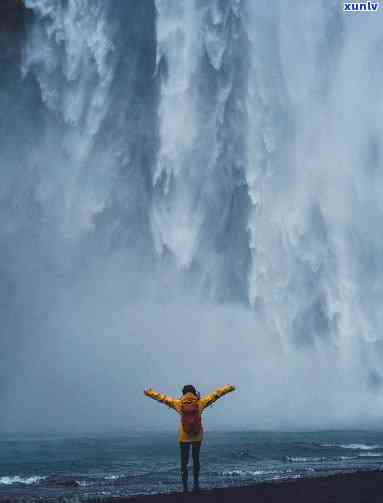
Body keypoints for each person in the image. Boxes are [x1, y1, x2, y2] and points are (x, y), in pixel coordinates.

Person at [144, 384, 236, 493]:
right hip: (197, 436)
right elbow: (215, 395)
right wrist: (229, 388)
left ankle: (185, 487)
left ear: (183, 393)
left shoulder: (178, 404)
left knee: (184, 462)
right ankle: (196, 485)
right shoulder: (200, 403)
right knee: (196, 460)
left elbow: (162, 398)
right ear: (194, 392)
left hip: (184, 437)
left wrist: (149, 392)